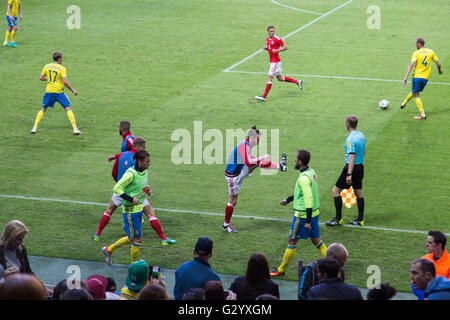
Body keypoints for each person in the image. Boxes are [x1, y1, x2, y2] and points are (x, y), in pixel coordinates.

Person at [94, 137, 175, 245]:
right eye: (143, 147)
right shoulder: (138, 161)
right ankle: (163, 238)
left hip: (122, 190)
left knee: (109, 211)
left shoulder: (122, 155)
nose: (144, 150)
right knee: (149, 214)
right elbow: (136, 176)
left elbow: (114, 172)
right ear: (136, 146)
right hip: (132, 194)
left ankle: (97, 234)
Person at [270, 150, 327, 277]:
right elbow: (301, 194)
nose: (294, 160)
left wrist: (306, 221)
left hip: (303, 216)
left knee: (291, 241)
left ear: (300, 161)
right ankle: (335, 267)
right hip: (314, 213)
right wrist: (289, 199)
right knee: (317, 240)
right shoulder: (311, 172)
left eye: (296, 158)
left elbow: (308, 199)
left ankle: (281, 270)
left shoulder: (303, 178)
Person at [224, 126, 287, 233]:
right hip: (233, 176)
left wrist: (260, 159)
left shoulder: (246, 145)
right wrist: (262, 157)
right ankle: (226, 225)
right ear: (252, 137)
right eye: (258, 139)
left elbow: (249, 158)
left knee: (257, 162)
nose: (259, 141)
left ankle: (279, 166)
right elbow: (248, 162)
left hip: (239, 170)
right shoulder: (244, 146)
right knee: (233, 200)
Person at [102, 150, 152, 265]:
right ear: (139, 162)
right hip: (131, 211)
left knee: (131, 238)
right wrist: (130, 199)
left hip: (138, 209)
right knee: (137, 239)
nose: (149, 164)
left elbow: (141, 184)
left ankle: (108, 250)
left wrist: (147, 188)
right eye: (147, 162)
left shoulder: (144, 171)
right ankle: (134, 266)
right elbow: (117, 188)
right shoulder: (130, 174)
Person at [326, 115, 366, 227]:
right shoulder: (361, 135)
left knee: (335, 191)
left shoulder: (350, 139)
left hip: (351, 168)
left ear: (347, 124)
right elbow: (364, 150)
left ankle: (338, 219)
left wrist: (349, 174)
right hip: (360, 167)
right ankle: (360, 220)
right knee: (359, 193)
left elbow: (351, 156)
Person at [30, 51, 82, 135]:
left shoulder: (47, 66)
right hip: (58, 92)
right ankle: (75, 129)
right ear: (59, 59)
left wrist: (50, 79)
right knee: (68, 108)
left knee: (43, 109)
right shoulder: (62, 68)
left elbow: (41, 78)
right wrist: (73, 90)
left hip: (49, 91)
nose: (62, 59)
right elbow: (64, 81)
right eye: (62, 57)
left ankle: (34, 128)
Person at [255, 25, 302, 101]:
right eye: (271, 31)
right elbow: (271, 48)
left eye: (273, 31)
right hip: (273, 61)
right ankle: (297, 82)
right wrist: (266, 48)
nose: (272, 32)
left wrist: (277, 50)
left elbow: (285, 47)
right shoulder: (267, 39)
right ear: (268, 32)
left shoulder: (277, 39)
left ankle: (264, 97)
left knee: (269, 78)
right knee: (280, 78)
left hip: (275, 62)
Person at [401, 37, 443, 120]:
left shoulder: (416, 53)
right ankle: (404, 103)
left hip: (417, 76)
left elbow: (411, 65)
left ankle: (422, 114)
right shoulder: (431, 52)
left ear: (418, 44)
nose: (415, 44)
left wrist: (405, 77)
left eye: (415, 43)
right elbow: (438, 64)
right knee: (414, 91)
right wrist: (439, 71)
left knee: (416, 95)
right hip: (425, 78)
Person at [412, 230, 450, 299]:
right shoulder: (423, 260)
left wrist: (432, 296)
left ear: (439, 245)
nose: (426, 245)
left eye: (430, 243)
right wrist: (425, 296)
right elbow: (414, 284)